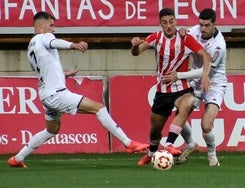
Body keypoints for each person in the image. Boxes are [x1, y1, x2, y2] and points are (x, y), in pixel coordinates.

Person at [7, 11, 149, 168]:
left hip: (45, 95)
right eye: (51, 25)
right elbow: (54, 42)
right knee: (99, 108)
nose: (53, 30)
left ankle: (17, 158)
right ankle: (128, 143)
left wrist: (64, 74)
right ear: (41, 26)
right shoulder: (44, 37)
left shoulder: (31, 47)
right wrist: (73, 45)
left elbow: (44, 70)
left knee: (51, 130)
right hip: (57, 94)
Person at [130, 8, 212, 166]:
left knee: (187, 103)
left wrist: (205, 75)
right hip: (162, 91)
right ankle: (152, 152)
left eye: (171, 21)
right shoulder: (156, 37)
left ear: (176, 21)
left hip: (182, 88)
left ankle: (168, 146)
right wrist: (135, 45)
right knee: (155, 130)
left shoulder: (186, 38)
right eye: (165, 22)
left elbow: (206, 57)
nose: (169, 25)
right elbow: (137, 52)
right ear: (160, 23)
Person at [163, 8, 227, 166]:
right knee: (180, 115)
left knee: (206, 124)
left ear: (214, 24)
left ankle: (212, 154)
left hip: (214, 84)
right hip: (196, 83)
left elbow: (206, 71)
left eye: (207, 25)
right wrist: (182, 31)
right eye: (201, 25)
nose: (203, 29)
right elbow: (183, 34)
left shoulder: (219, 46)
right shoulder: (197, 30)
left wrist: (178, 75)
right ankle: (191, 143)